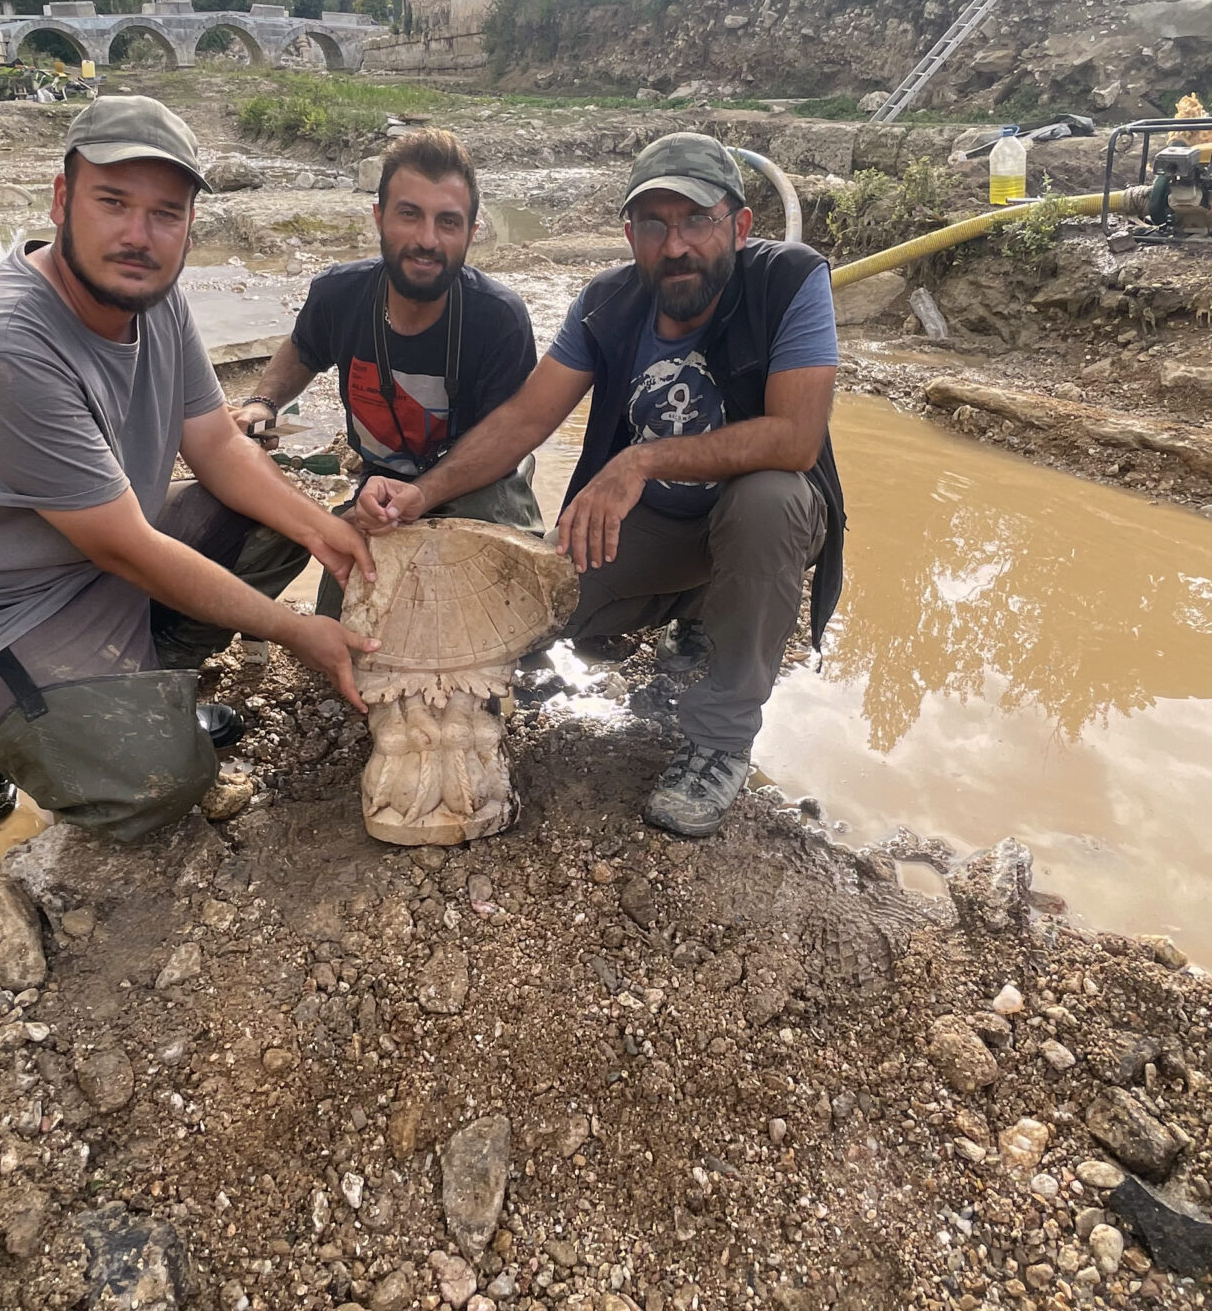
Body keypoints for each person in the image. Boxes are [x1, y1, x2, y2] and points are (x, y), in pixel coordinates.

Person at [0, 96, 375, 842]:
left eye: (165, 213)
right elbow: (125, 547)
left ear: (187, 225)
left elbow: (213, 443)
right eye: (113, 202)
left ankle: (131, 695)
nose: (138, 236)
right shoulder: (0, 345)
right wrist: (295, 630)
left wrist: (324, 533)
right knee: (161, 780)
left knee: (271, 520)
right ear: (62, 200)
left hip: (77, 562)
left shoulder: (157, 298)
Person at [353, 131, 844, 839]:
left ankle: (720, 742)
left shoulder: (790, 281)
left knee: (767, 498)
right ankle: (702, 610)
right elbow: (524, 419)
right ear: (630, 234)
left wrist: (638, 462)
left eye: (696, 220)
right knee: (539, 619)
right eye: (654, 224)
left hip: (759, 517)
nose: (674, 245)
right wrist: (421, 494)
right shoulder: (606, 304)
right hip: (662, 525)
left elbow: (796, 438)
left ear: (739, 225)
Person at [232, 127, 540, 610]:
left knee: (508, 604)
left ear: (471, 234)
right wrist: (260, 404)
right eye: (409, 214)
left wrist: (418, 496)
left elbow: (505, 442)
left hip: (475, 488)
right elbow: (302, 350)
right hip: (377, 488)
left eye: (448, 222)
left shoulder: (498, 318)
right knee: (341, 611)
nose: (426, 240)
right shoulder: (338, 294)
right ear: (379, 217)